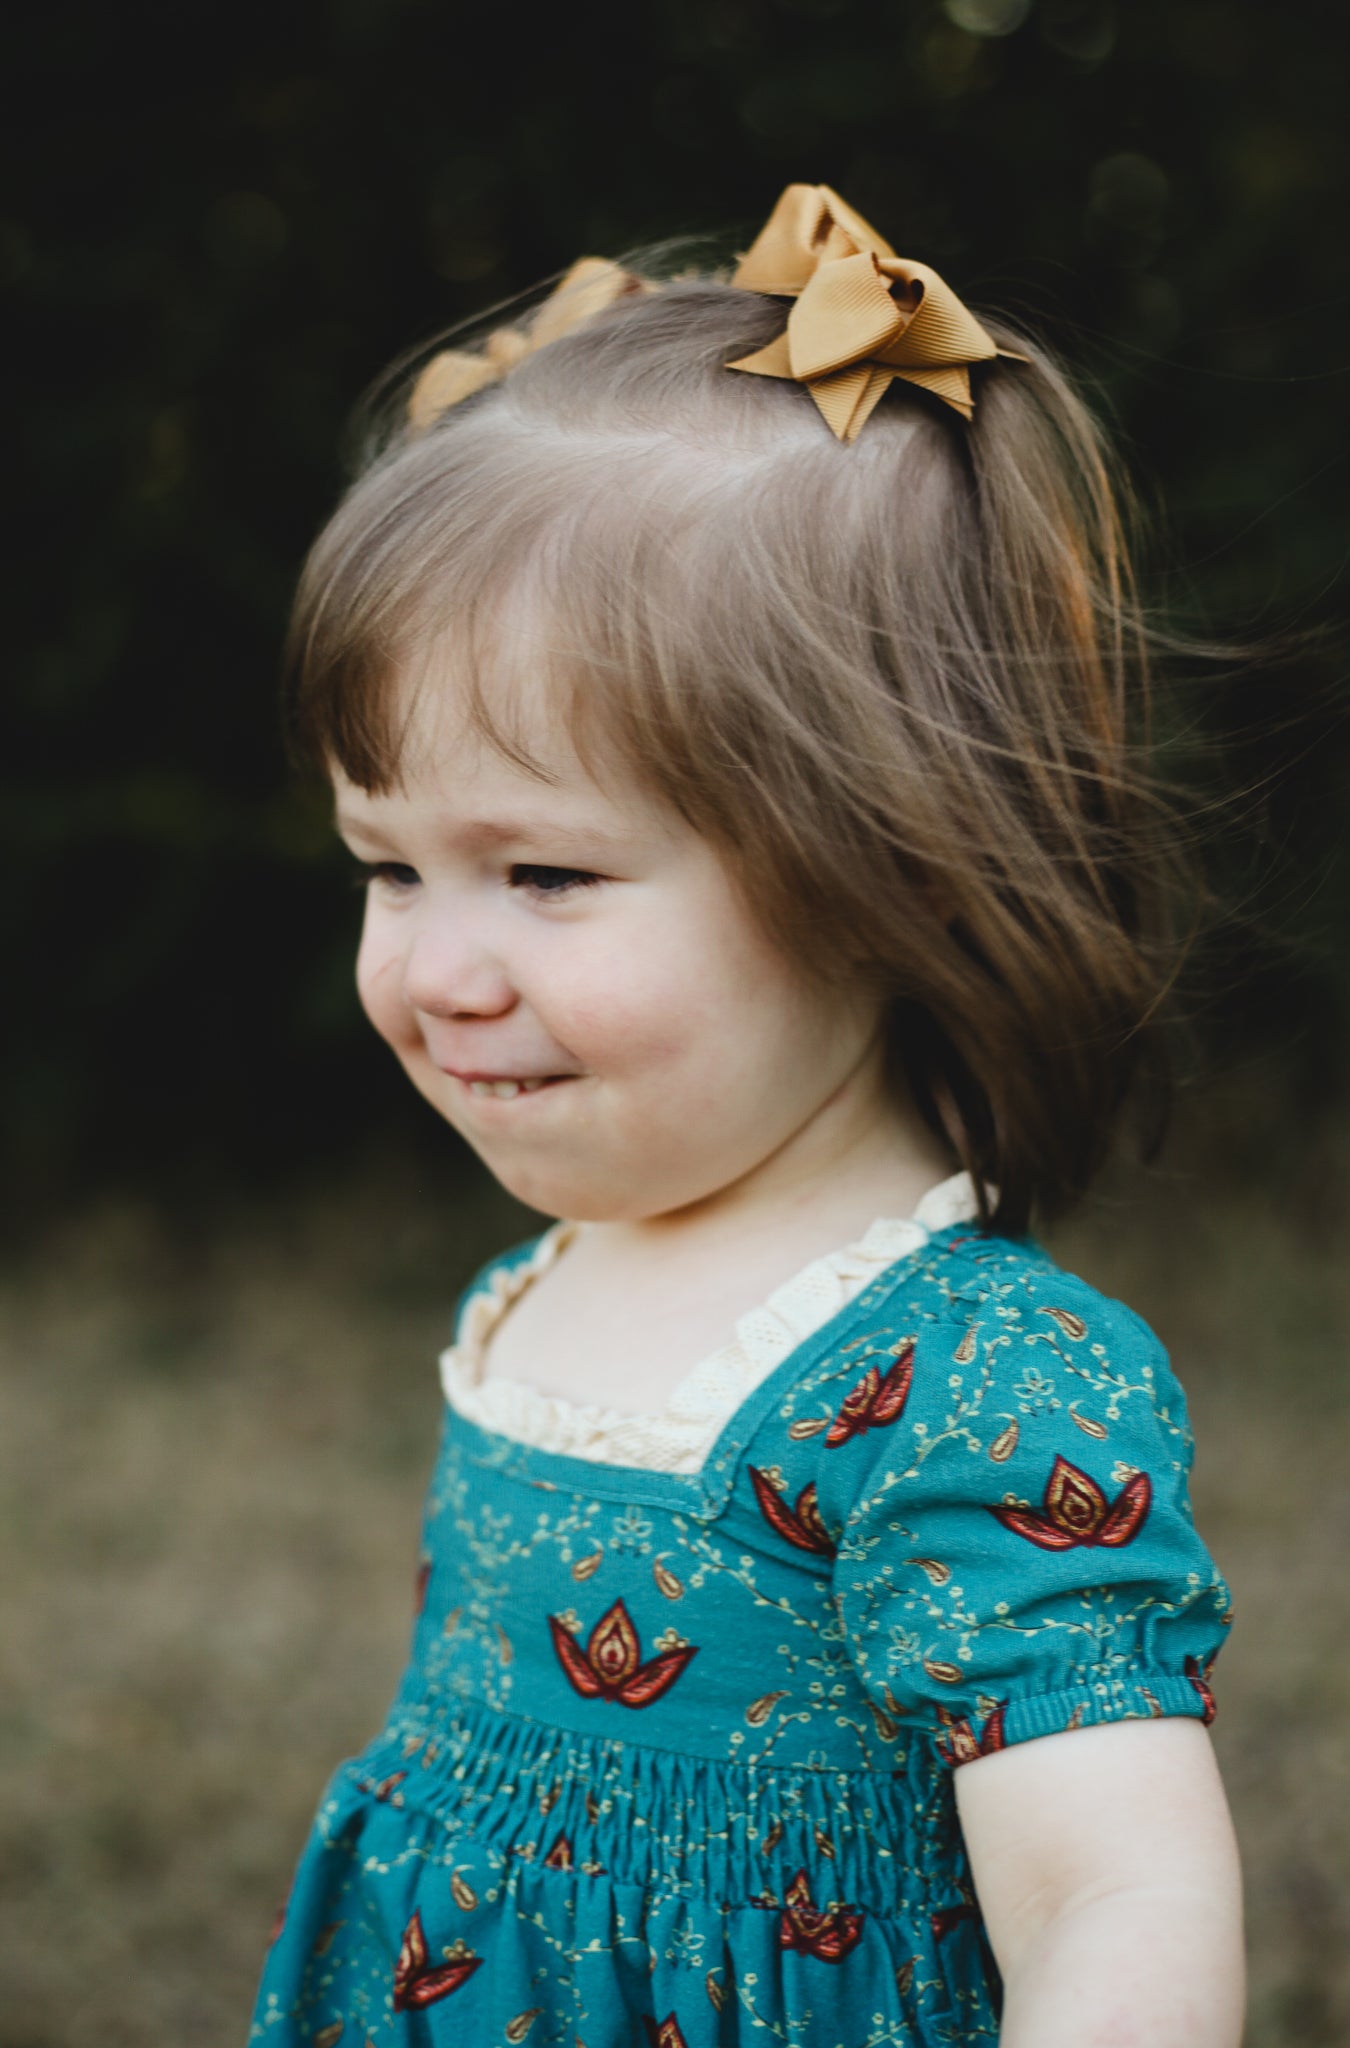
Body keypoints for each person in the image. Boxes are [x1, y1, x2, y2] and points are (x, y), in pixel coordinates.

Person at [249, 185, 1245, 2046]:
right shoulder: (554, 1276)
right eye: (388, 867)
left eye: (545, 873)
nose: (437, 968)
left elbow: (1117, 1896)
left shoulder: (970, 1380)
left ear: (888, 872)